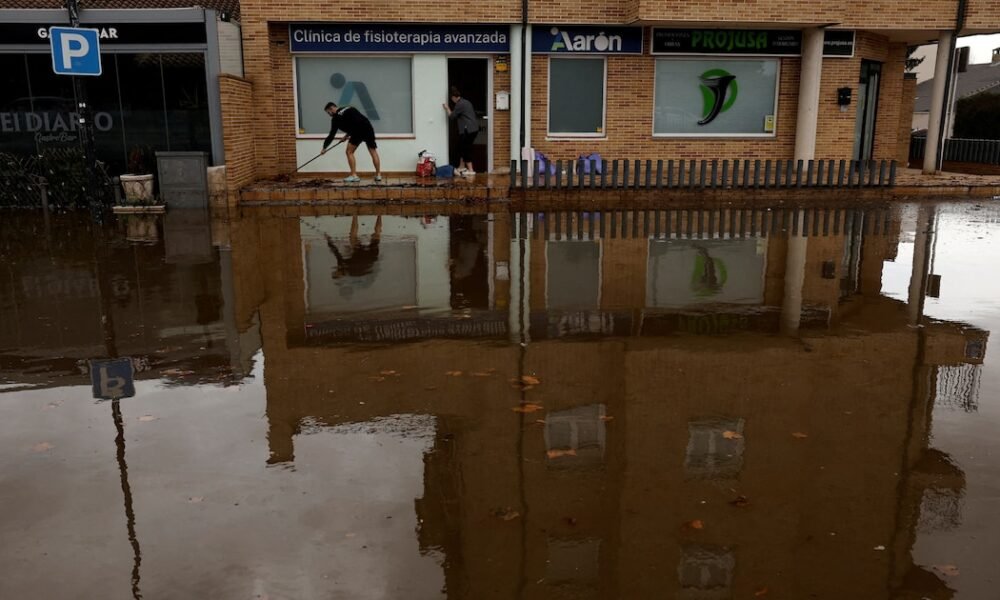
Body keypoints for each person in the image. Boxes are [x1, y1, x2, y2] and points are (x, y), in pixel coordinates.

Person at [322, 102, 382, 183]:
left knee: (349, 152)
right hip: (368, 127)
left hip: (357, 131)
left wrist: (324, 147)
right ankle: (378, 175)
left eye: (328, 112)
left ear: (331, 109)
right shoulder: (350, 108)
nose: (329, 114)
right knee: (373, 151)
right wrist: (346, 136)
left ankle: (354, 175)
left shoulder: (335, 118)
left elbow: (331, 135)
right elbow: (356, 122)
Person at [442, 86, 479, 176]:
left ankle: (471, 169)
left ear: (454, 97)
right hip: (473, 129)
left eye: (452, 99)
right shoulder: (466, 102)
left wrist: (447, 108)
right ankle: (461, 166)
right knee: (462, 147)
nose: (452, 101)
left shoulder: (460, 104)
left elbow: (452, 116)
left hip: (468, 129)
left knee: (466, 149)